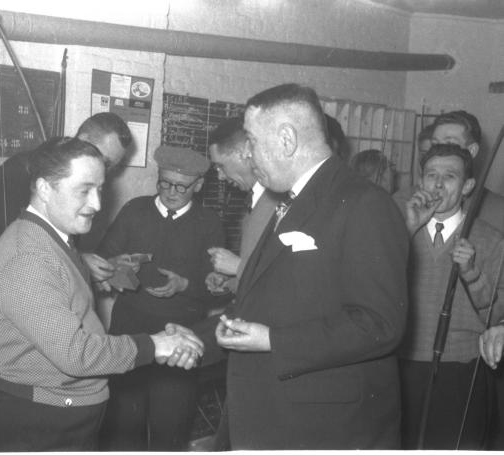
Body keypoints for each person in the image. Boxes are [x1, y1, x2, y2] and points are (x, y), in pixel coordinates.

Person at [171, 83, 409, 449]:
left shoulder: (364, 203)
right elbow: (259, 304)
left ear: (286, 139)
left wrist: (273, 340)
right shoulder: (288, 201)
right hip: (274, 415)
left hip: (325, 429)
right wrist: (196, 339)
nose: (248, 156)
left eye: (251, 140)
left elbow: (379, 324)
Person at [0, 137, 203, 451]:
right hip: (38, 421)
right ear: (43, 189)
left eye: (99, 189)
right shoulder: (28, 258)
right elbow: (74, 353)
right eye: (84, 190)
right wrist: (156, 344)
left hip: (58, 414)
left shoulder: (52, 241)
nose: (96, 204)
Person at [96, 145, 226, 450]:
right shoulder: (134, 210)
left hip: (180, 340)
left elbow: (216, 289)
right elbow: (101, 260)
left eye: (181, 187)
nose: (170, 192)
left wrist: (185, 285)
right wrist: (118, 269)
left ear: (199, 185)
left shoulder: (210, 224)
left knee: (170, 431)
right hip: (131, 332)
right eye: (164, 183)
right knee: (124, 431)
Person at [398, 143, 504, 449]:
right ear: (421, 182)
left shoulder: (490, 239)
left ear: (468, 186)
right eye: (431, 174)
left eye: (450, 176)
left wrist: (471, 272)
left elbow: (496, 317)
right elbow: (373, 287)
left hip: (460, 370)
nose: (439, 184)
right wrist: (406, 229)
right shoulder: (397, 230)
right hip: (402, 364)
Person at [0, 111, 133, 240]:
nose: (104, 172)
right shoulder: (17, 171)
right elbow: (15, 241)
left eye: (111, 167)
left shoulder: (93, 184)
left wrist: (80, 259)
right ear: (83, 140)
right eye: (104, 161)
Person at [206, 116, 281, 295]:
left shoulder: (280, 203)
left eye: (220, 166)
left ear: (245, 152)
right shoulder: (256, 200)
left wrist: (238, 267)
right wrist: (229, 283)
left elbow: (291, 277)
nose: (220, 176)